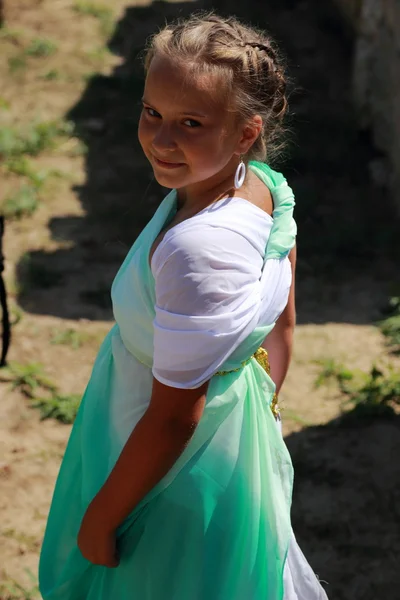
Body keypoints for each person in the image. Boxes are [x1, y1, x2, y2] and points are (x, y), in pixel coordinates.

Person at [39, 12, 329, 600]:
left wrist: (100, 519)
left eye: (191, 122)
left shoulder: (200, 250)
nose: (162, 140)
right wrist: (260, 414)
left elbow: (174, 417)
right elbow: (284, 326)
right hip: (224, 436)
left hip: (169, 465)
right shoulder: (264, 185)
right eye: (152, 113)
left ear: (246, 132)